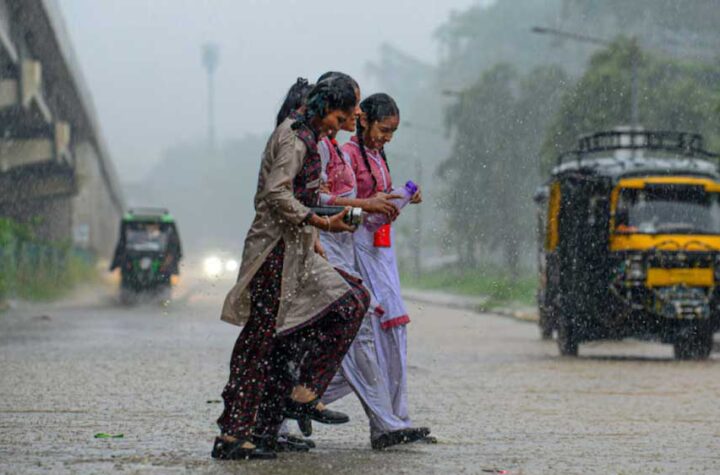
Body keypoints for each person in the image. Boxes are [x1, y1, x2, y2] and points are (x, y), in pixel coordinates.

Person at [212, 78, 370, 461]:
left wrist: (318, 229)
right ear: (325, 107)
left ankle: (296, 400)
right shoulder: (295, 137)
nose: (341, 126)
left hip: (298, 251)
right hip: (273, 252)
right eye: (340, 118)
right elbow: (276, 193)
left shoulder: (312, 137)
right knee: (260, 341)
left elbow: (304, 196)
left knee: (347, 303)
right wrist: (321, 222)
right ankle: (234, 433)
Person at [342, 93, 432, 448]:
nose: (387, 138)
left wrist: (400, 197)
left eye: (393, 131)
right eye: (383, 129)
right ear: (363, 120)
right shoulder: (347, 156)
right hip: (355, 251)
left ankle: (395, 420)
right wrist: (370, 208)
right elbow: (341, 210)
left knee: (392, 334)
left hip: (381, 251)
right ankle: (387, 423)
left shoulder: (378, 156)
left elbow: (376, 202)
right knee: (366, 341)